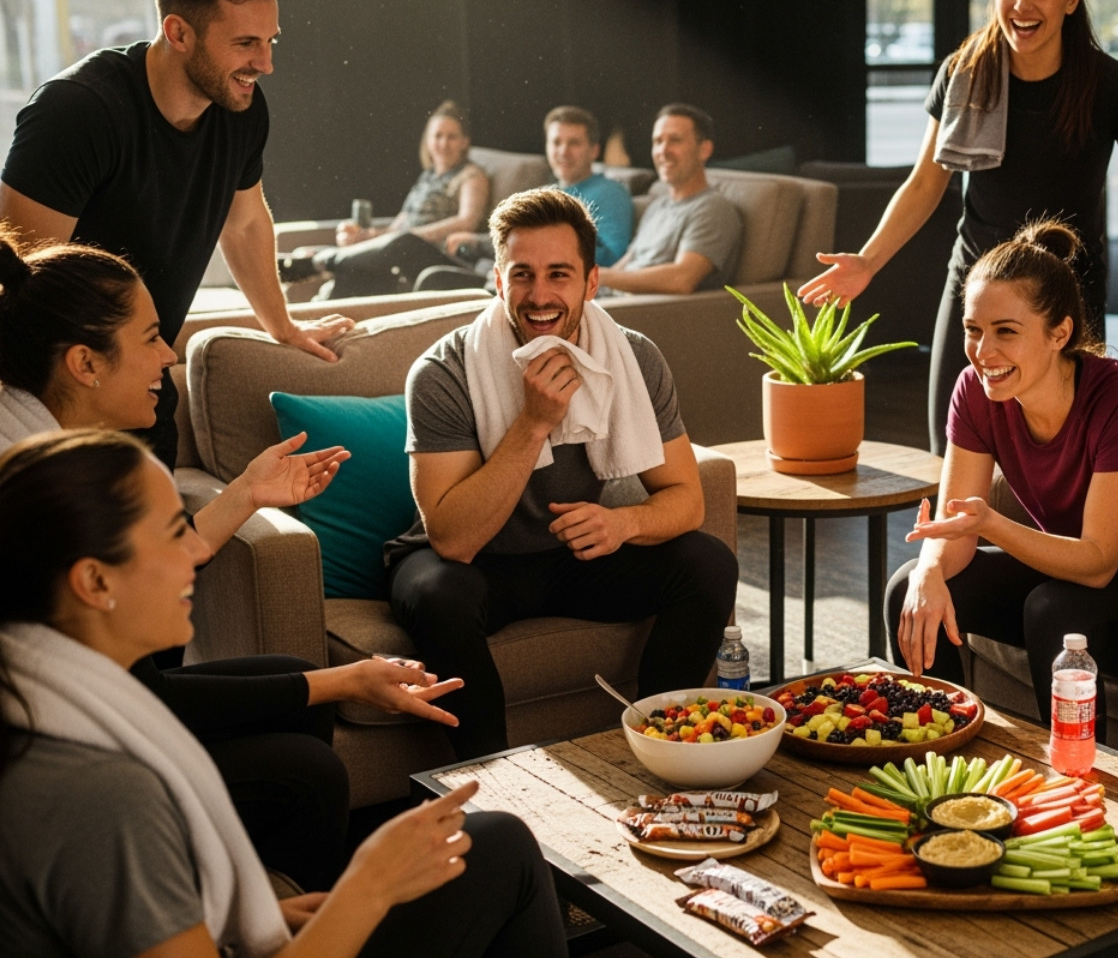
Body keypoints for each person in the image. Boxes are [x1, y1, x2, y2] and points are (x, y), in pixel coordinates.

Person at [0, 230, 469, 891]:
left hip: (101, 706)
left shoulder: (45, 445)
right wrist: (348, 680)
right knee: (308, 769)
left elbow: (151, 568)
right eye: (150, 337)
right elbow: (144, 690)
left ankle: (272, 897)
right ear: (85, 362)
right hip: (51, 756)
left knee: (290, 687)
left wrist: (248, 492)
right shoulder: (40, 492)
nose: (168, 355)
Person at [0, 429, 568, 958]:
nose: (196, 554)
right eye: (176, 532)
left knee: (493, 845)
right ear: (95, 582)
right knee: (503, 847)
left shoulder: (38, 705)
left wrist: (259, 912)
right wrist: (367, 884)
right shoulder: (101, 795)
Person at [799, 0, 1118, 455]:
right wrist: (868, 263)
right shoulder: (963, 73)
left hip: (1067, 288)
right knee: (954, 447)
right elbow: (925, 183)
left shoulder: (1111, 85)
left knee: (1066, 449)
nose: (1022, 6)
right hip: (977, 282)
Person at [387, 187, 736, 760]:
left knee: (707, 561)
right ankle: (491, 779)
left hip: (567, 557)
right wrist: (532, 424)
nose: (540, 295)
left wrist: (623, 524)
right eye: (521, 275)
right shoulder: (444, 371)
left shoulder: (634, 356)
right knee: (436, 594)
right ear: (497, 280)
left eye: (559, 274)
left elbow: (686, 500)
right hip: (471, 565)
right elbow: (451, 537)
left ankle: (669, 747)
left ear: (592, 283)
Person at [0, 0, 353, 469]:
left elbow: (245, 223)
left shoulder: (242, 110)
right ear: (178, 32)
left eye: (270, 40)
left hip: (144, 384)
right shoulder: (78, 113)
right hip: (59, 401)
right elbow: (21, 278)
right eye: (245, 44)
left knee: (170, 547)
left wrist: (281, 326)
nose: (266, 63)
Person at [886, 220, 1118, 723]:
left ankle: (1081, 782)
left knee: (1053, 608)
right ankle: (947, 755)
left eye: (1006, 332)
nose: (983, 352)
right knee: (909, 587)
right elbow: (956, 526)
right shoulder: (975, 390)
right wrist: (931, 570)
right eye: (973, 331)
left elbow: (1099, 562)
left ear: (1059, 332)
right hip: (1068, 574)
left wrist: (992, 525)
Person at [284, 100, 492, 298]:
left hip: (440, 256)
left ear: (465, 142)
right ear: (428, 141)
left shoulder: (472, 175)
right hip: (402, 250)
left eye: (451, 137)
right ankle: (320, 309)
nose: (443, 143)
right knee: (356, 271)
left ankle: (322, 261)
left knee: (403, 243)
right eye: (437, 136)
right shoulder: (428, 176)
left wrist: (411, 236)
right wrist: (371, 237)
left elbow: (468, 220)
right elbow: (402, 221)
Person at [441, 105, 635, 275]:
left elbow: (611, 257)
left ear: (594, 151)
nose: (563, 152)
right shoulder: (545, 192)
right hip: (492, 268)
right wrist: (476, 241)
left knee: (426, 265)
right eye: (556, 142)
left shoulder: (610, 193)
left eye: (574, 143)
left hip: (528, 280)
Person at [598, 103, 742, 295]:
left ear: (704, 150)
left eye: (675, 140)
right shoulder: (658, 206)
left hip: (639, 312)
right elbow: (624, 265)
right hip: (608, 305)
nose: (663, 151)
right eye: (657, 141)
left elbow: (682, 279)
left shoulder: (713, 209)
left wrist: (599, 276)